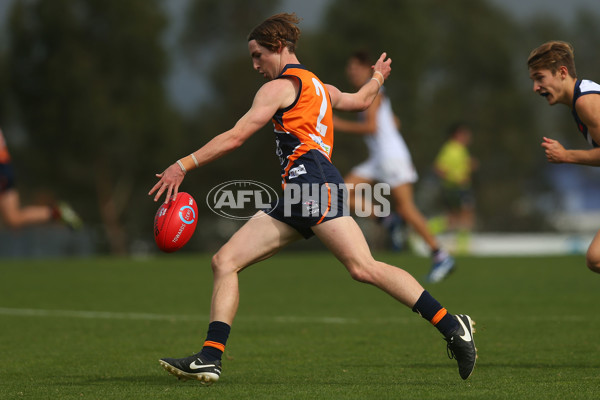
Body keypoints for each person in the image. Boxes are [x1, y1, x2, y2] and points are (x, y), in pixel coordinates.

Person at [149, 13, 476, 384]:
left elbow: (237, 136)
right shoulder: (320, 86)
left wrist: (183, 165)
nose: (255, 65)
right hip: (298, 190)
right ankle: (210, 357)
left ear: (277, 47)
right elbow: (360, 100)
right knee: (225, 261)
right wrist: (378, 77)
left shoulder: (279, 87)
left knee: (362, 267)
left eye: (257, 55)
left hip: (312, 182)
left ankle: (452, 325)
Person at [333, 51, 455, 282]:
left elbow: (371, 127)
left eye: (354, 68)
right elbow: (394, 121)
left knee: (407, 208)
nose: (350, 72)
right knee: (340, 190)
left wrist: (337, 124)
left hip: (390, 158)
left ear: (367, 69)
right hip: (379, 158)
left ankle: (441, 255)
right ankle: (388, 220)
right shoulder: (373, 92)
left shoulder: (373, 90)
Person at [528, 40, 600, 274]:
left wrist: (566, 155)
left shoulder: (585, 102)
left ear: (561, 72)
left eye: (540, 78)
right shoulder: (582, 98)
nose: (536, 87)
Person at [0, 128, 81, 230]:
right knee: (13, 218)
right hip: (5, 167)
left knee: (13, 218)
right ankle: (57, 213)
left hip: (2, 168)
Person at [432, 123, 476, 254]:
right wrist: (456, 179)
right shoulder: (451, 148)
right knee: (465, 215)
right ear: (457, 134)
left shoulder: (461, 149)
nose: (468, 137)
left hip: (459, 188)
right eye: (465, 134)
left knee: (453, 219)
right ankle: (463, 247)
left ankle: (423, 230)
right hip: (456, 188)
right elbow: (439, 168)